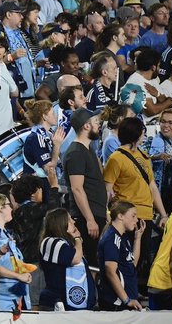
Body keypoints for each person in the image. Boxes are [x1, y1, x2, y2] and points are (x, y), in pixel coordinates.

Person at [65, 109, 108, 263]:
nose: (99, 125)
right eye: (96, 122)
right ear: (86, 126)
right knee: (92, 262)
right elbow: (77, 189)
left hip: (96, 214)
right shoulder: (75, 153)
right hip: (86, 218)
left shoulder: (89, 149)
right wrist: (90, 219)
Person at [0, 192, 33, 311]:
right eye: (9, 205)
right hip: (0, 299)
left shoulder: (7, 235)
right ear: (0, 208)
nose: (12, 208)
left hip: (16, 298)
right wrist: (19, 276)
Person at [38, 208, 96, 310]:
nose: (73, 221)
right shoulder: (50, 242)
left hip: (75, 306)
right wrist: (78, 239)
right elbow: (75, 259)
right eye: (69, 219)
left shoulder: (68, 244)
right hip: (58, 303)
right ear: (60, 223)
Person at [98, 200, 144, 310]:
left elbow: (132, 264)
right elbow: (110, 271)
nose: (136, 220)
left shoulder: (122, 237)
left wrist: (138, 238)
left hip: (126, 301)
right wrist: (126, 299)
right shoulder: (112, 238)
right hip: (117, 303)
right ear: (120, 216)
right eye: (133, 216)